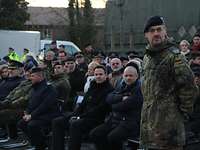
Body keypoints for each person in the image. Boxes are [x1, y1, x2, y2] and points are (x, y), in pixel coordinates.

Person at [140, 16, 197, 150]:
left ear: (165, 32)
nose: (156, 33)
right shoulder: (147, 57)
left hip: (169, 130)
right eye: (152, 31)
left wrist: (180, 114)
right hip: (149, 128)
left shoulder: (174, 57)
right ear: (146, 35)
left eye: (159, 29)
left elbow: (189, 88)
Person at [51, 65, 113, 150]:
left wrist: (79, 117)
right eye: (96, 74)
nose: (98, 76)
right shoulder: (92, 86)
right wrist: (74, 115)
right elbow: (83, 104)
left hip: (96, 119)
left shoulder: (109, 90)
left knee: (75, 124)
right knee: (57, 121)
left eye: (101, 74)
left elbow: (100, 109)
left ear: (106, 75)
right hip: (83, 115)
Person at [90, 65, 143, 150]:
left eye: (131, 76)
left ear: (136, 76)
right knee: (95, 133)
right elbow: (109, 97)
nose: (128, 78)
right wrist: (121, 97)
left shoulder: (139, 89)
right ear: (123, 76)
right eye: (126, 76)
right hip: (116, 119)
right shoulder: (121, 85)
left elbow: (123, 106)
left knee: (113, 137)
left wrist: (114, 104)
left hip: (129, 122)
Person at [18, 67, 61, 150]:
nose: (30, 78)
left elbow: (45, 106)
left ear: (40, 77)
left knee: (32, 125)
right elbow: (31, 102)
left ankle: (41, 146)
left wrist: (31, 116)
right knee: (21, 123)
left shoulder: (49, 88)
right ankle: (38, 143)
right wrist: (27, 112)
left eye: (33, 76)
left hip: (49, 114)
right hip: (38, 114)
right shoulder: (35, 87)